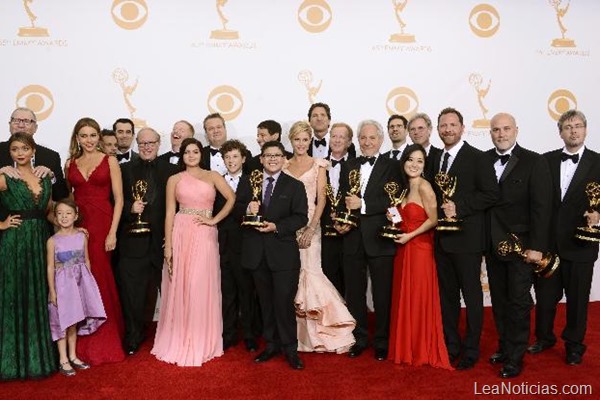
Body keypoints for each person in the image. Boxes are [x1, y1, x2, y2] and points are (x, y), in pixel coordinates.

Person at [152, 137, 235, 366]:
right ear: (182, 155)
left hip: (204, 233)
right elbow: (169, 212)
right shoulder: (174, 179)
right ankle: (180, 336)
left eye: (195, 151)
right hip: (180, 232)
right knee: (182, 284)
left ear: (201, 153)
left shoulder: (213, 176)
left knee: (199, 285)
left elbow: (231, 198)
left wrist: (214, 220)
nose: (191, 155)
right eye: (187, 152)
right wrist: (168, 245)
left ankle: (200, 338)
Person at [483, 113, 552, 378]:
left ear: (516, 131)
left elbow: (542, 208)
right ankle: (504, 346)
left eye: (506, 129)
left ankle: (515, 356)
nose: (501, 134)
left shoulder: (535, 161)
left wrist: (537, 247)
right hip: (493, 245)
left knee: (519, 302)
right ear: (490, 133)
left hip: (522, 248)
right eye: (496, 130)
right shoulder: (484, 160)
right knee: (499, 301)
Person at [530, 110, 600, 366]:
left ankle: (574, 345)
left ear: (585, 130)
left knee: (578, 300)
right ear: (560, 132)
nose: (573, 131)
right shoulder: (545, 161)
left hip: (581, 245)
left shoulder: (598, 162)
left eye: (578, 126)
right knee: (545, 297)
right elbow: (537, 203)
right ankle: (544, 337)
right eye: (568, 127)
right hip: (549, 245)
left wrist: (597, 217)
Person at [431, 107, 499, 370]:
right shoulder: (436, 159)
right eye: (443, 125)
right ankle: (452, 344)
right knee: (447, 297)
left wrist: (460, 206)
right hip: (442, 240)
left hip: (468, 241)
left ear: (462, 127)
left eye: (452, 125)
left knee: (471, 296)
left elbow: (491, 193)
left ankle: (471, 348)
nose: (447, 129)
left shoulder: (478, 158)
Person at [283, 121, 355, 354]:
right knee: (293, 277)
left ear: (310, 141)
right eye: (297, 140)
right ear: (291, 141)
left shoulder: (319, 164)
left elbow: (322, 199)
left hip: (311, 228)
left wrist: (311, 227)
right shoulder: (283, 165)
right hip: (288, 228)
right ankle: (298, 335)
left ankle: (323, 332)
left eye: (305, 139)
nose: (301, 144)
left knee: (311, 273)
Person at [335, 120, 401, 361]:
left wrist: (362, 205)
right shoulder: (349, 165)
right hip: (352, 238)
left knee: (383, 294)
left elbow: (396, 200)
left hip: (380, 237)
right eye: (363, 138)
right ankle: (360, 338)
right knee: (354, 292)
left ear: (381, 140)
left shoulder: (393, 165)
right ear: (358, 140)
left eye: (372, 138)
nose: (367, 142)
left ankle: (382, 340)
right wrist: (340, 219)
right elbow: (343, 199)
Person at [241, 141, 308, 370]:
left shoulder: (294, 186)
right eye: (268, 155)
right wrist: (247, 210)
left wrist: (276, 226)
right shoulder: (249, 182)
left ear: (284, 159)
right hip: (256, 254)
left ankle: (290, 348)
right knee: (266, 304)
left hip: (283, 255)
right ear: (261, 159)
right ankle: (271, 345)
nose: (272, 159)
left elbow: (301, 218)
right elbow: (237, 209)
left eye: (277, 155)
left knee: (283, 303)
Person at [65, 117, 125, 365]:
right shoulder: (69, 163)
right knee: (79, 278)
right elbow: (68, 200)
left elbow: (119, 199)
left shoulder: (110, 160)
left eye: (92, 135)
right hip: (79, 227)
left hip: (102, 224)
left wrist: (112, 232)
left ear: (99, 137)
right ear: (77, 138)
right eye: (83, 135)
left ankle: (106, 338)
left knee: (100, 275)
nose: (88, 140)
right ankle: (80, 341)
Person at [388, 144, 452, 370]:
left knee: (417, 297)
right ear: (403, 161)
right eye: (410, 160)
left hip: (420, 249)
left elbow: (434, 220)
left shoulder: (425, 186)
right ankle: (406, 347)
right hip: (403, 249)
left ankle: (420, 348)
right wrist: (393, 216)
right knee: (404, 296)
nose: (414, 165)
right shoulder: (404, 188)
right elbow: (401, 221)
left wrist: (410, 236)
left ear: (425, 165)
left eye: (419, 161)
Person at [0, 133, 56, 380]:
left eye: (24, 148)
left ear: (33, 151)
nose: (20, 153)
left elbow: (50, 212)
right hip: (15, 242)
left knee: (38, 294)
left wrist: (73, 230)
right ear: (10, 153)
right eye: (14, 149)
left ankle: (38, 359)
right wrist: (1, 224)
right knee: (15, 295)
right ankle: (12, 362)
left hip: (41, 239)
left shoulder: (45, 177)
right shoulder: (4, 177)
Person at [118, 128, 178, 355]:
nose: (146, 147)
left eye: (150, 142)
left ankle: (175, 335)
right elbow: (112, 202)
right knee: (133, 295)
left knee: (172, 293)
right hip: (133, 242)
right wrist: (128, 209)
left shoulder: (173, 170)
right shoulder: (123, 170)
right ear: (137, 144)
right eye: (142, 143)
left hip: (164, 242)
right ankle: (134, 335)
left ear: (158, 143)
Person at [47, 199, 106, 376]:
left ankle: (73, 356)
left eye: (68, 213)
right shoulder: (52, 241)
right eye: (60, 214)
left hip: (79, 284)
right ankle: (62, 359)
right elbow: (50, 267)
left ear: (76, 216)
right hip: (61, 286)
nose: (64, 217)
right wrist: (52, 291)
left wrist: (89, 284)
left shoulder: (82, 236)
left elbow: (86, 260)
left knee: (74, 321)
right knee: (61, 322)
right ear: (55, 217)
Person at [216, 139, 259, 352]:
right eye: (227, 157)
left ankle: (249, 335)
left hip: (245, 246)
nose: (231, 161)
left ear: (243, 159)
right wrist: (241, 208)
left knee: (246, 292)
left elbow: (255, 210)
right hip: (222, 246)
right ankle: (229, 334)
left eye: (235, 156)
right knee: (227, 293)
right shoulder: (217, 181)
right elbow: (217, 211)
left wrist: (234, 208)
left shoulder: (254, 182)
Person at [0, 107, 68, 201]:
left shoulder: (51, 156)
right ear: (9, 125)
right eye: (16, 120)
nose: (21, 125)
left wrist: (51, 178)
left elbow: (61, 196)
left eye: (27, 121)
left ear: (35, 127)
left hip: (39, 214)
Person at [321, 122, 355, 294]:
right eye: (334, 136)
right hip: (326, 233)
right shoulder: (319, 165)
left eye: (342, 137)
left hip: (350, 232)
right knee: (329, 278)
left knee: (351, 280)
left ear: (349, 142)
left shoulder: (358, 166)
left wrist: (347, 221)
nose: (337, 140)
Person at [407, 113, 443, 182]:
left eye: (420, 128)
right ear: (409, 134)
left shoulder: (441, 155)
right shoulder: (405, 157)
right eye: (412, 129)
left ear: (430, 130)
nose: (416, 132)